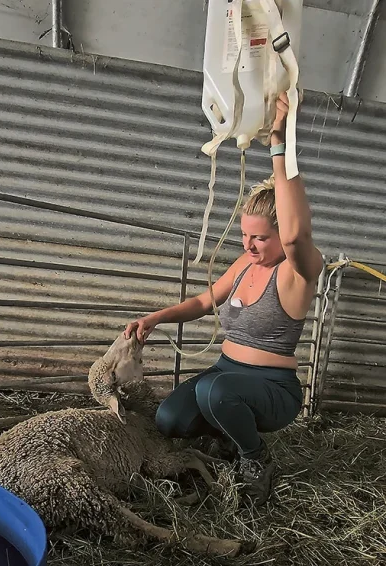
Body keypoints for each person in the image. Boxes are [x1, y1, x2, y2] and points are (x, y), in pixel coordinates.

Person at [125, 93, 323, 505]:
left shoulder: (296, 272)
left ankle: (255, 458)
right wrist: (155, 318)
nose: (250, 245)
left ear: (280, 236)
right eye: (245, 235)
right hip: (226, 374)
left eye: (261, 238)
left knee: (215, 394)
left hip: (272, 389)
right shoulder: (244, 265)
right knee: (169, 419)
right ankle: (230, 438)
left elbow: (295, 234)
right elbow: (202, 302)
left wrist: (279, 144)